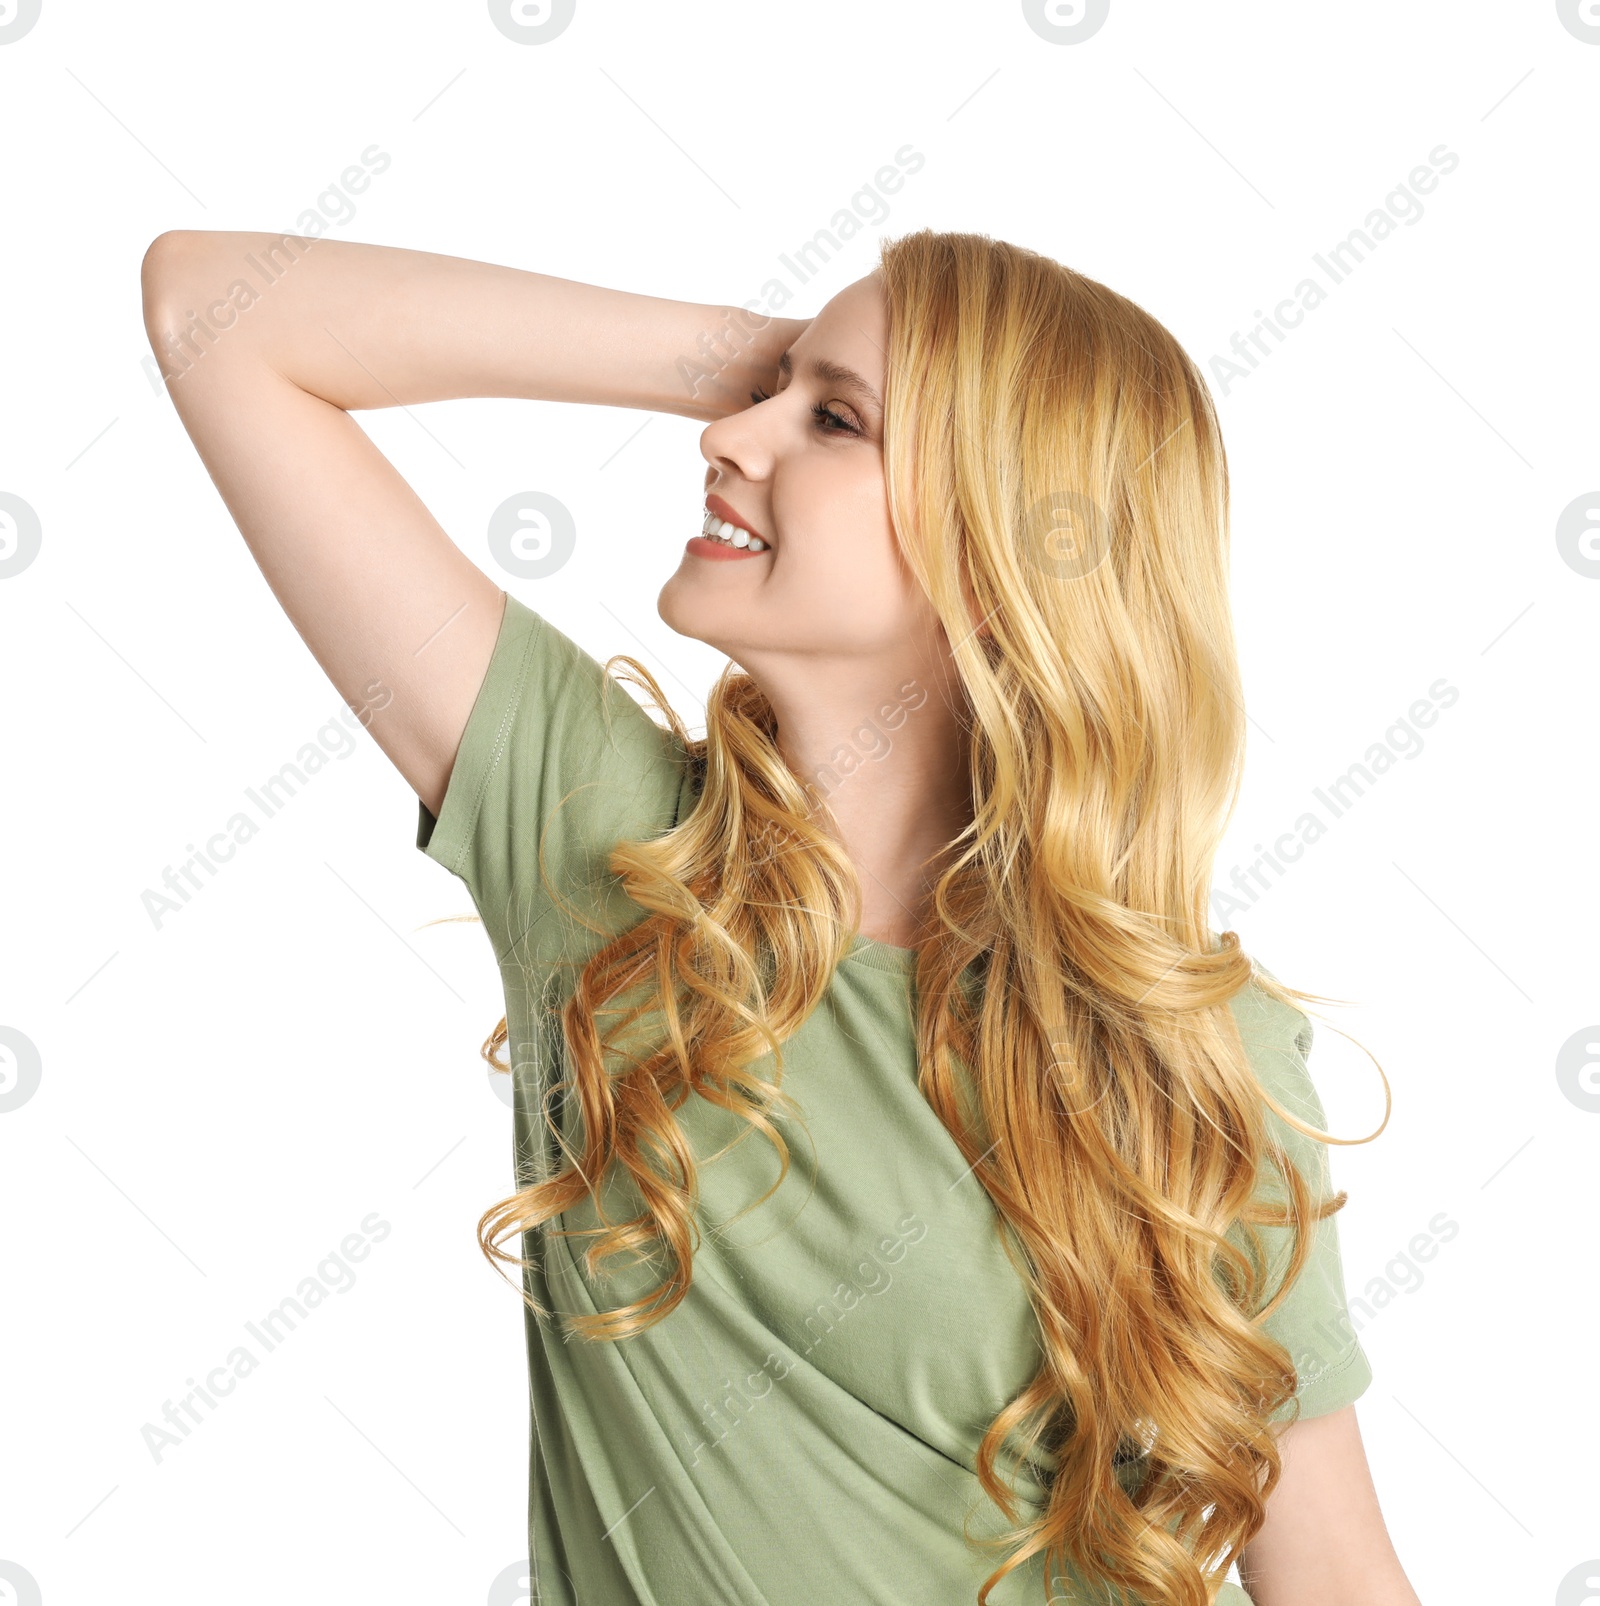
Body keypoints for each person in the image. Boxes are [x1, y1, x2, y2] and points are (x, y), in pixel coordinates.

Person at [141, 226, 1419, 1605]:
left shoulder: (1186, 1047)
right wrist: (749, 359)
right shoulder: (607, 852)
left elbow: (1334, 1572)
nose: (732, 436)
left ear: (994, 555)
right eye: (770, 392)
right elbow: (216, 311)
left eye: (834, 421)